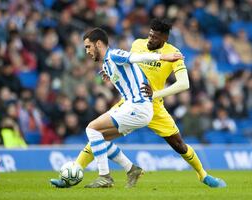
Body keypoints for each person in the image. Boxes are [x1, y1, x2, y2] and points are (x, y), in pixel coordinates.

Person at [51, 19, 226, 188]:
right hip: (131, 102)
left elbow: (184, 84)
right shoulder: (137, 44)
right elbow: (128, 63)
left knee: (179, 145)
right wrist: (110, 71)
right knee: (98, 134)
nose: (150, 39)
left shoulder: (174, 53)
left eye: (155, 37)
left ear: (164, 39)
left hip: (154, 105)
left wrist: (155, 93)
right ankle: (76, 170)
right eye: (150, 34)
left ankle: (203, 175)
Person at [54, 27, 183, 188]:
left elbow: (136, 57)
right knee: (99, 138)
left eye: (88, 46)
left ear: (99, 44)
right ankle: (131, 169)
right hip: (136, 108)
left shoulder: (114, 54)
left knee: (91, 129)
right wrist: (111, 75)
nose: (86, 51)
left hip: (138, 106)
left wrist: (164, 56)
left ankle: (105, 177)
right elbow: (124, 75)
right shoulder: (108, 64)